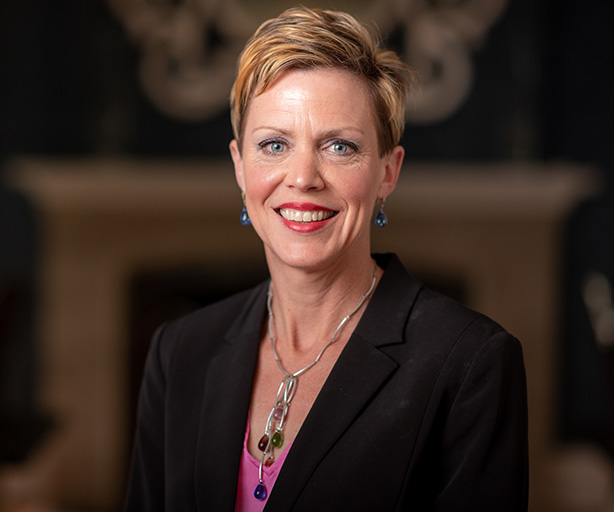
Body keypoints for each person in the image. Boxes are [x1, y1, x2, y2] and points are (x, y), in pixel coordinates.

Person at [125, 6, 528, 511]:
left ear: (388, 171)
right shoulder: (180, 350)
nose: (303, 178)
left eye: (339, 146)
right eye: (274, 144)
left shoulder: (471, 362)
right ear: (239, 166)